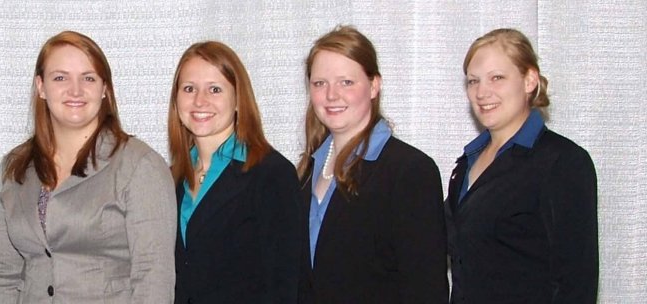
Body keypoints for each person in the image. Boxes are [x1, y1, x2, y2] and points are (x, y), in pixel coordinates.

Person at [0, 31, 176, 303]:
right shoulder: (14, 168)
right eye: (60, 77)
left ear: (104, 88)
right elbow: (0, 273)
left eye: (88, 78)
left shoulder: (140, 166)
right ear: (41, 86)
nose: (75, 90)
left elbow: (153, 279)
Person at [296, 25, 448, 303]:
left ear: (374, 85)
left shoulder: (410, 171)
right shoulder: (305, 173)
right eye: (320, 83)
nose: (331, 95)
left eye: (346, 82)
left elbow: (426, 289)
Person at [446, 28, 598, 303]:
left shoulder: (562, 162)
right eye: (473, 81)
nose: (482, 92)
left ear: (529, 80)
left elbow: (576, 283)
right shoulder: (466, 163)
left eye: (497, 78)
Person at [168, 41, 302, 304]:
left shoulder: (272, 175)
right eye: (189, 88)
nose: (199, 100)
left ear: (239, 99)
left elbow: (284, 285)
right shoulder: (170, 178)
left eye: (215, 89)